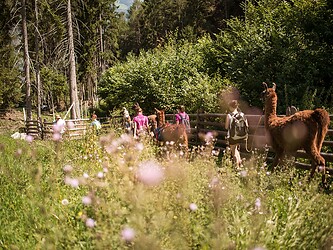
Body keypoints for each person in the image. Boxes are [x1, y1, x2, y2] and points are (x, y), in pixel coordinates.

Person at [225, 100, 248, 169]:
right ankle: (240, 164)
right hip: (241, 136)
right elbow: (246, 125)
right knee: (236, 149)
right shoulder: (242, 114)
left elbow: (226, 127)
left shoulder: (229, 115)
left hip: (233, 136)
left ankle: (237, 167)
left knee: (233, 152)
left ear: (230, 107)